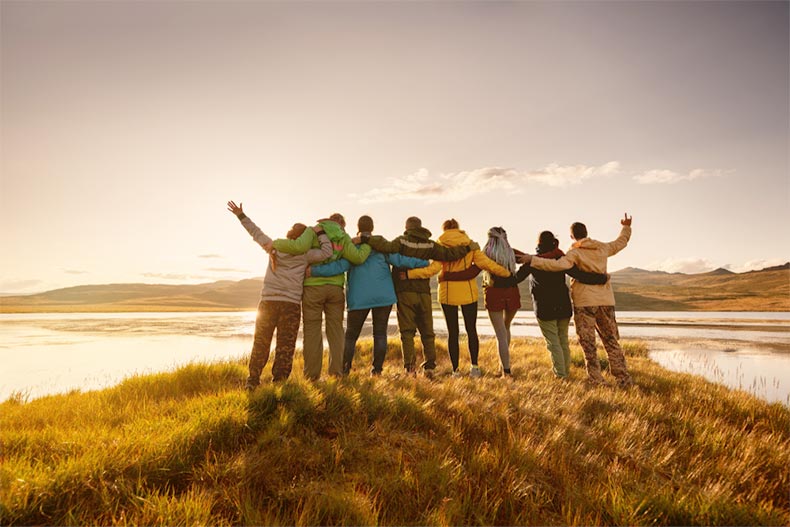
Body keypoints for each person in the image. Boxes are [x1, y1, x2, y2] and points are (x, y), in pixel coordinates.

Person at [441, 227, 609, 379]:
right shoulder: (527, 255)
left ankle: (509, 371)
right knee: (516, 330)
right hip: (532, 299)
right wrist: (600, 277)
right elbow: (560, 267)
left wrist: (448, 276)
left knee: (504, 333)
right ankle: (556, 371)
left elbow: (476, 272)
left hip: (509, 297)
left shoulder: (492, 254)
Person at [227, 201, 332, 389]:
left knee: (261, 341)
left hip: (268, 302)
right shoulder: (306, 254)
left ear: (289, 235)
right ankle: (279, 383)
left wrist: (241, 215)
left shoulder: (274, 247)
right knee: (285, 346)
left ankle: (253, 380)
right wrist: (320, 232)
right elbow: (327, 252)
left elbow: (255, 233)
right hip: (290, 305)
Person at [519, 214, 634, 387]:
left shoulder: (574, 253)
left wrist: (532, 260)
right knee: (611, 340)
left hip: (584, 302)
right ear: (587, 233)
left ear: (572, 236)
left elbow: (556, 266)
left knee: (588, 344)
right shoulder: (603, 248)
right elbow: (620, 243)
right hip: (605, 301)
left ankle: (596, 379)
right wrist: (626, 227)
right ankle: (623, 379)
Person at [308, 215, 429, 376]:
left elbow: (338, 266)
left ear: (358, 228)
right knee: (380, 334)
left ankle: (345, 369)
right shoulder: (380, 246)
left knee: (351, 335)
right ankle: (376, 370)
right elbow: (400, 260)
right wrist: (424, 262)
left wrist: (314, 271)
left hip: (359, 298)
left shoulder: (352, 246)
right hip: (383, 297)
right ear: (372, 228)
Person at [406, 219, 511, 378]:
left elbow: (432, 269)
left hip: (447, 294)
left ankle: (455, 370)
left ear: (445, 229)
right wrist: (507, 273)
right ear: (458, 228)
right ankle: (474, 367)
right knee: (471, 330)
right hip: (468, 293)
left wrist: (409, 274)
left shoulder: (440, 245)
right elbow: (487, 264)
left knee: (452, 333)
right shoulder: (470, 244)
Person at [271, 213, 371, 381]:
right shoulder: (344, 237)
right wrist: (366, 244)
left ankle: (312, 376)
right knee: (336, 332)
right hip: (335, 290)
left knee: (311, 332)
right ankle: (336, 374)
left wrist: (273, 244)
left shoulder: (312, 231)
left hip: (312, 289)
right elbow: (356, 258)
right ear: (341, 225)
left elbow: (298, 248)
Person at [368, 216, 471, 377]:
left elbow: (386, 246)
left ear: (407, 228)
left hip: (404, 292)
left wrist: (366, 238)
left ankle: (410, 368)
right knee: (427, 331)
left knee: (407, 332)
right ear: (420, 227)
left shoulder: (402, 241)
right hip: (423, 292)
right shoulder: (430, 244)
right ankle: (429, 366)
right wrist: (467, 248)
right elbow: (448, 254)